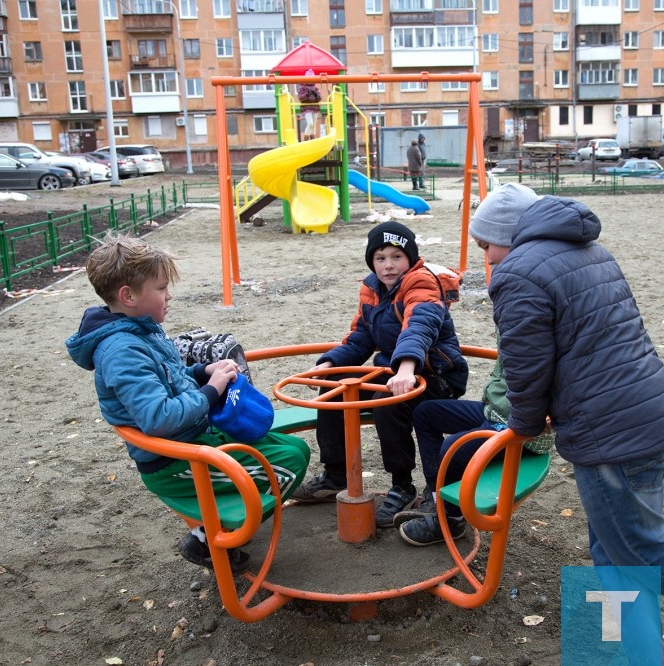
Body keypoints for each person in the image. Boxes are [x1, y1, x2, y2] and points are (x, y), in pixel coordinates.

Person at [472, 183, 664, 665]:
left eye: (484, 244)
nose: (484, 256)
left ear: (506, 237)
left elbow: (526, 364)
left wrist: (526, 424)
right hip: (648, 409)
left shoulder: (519, 273)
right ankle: (639, 653)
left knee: (639, 545)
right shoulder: (589, 250)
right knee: (612, 546)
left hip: (611, 435)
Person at [66, 234, 310, 575]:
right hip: (175, 459)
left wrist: (202, 370)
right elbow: (158, 417)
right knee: (288, 463)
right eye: (162, 288)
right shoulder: (122, 350)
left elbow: (171, 376)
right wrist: (211, 390)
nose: (169, 295)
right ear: (129, 295)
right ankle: (209, 539)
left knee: (293, 447)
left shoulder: (140, 330)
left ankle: (217, 530)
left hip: (195, 437)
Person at [291, 221, 470, 528]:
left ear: (410, 258)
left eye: (396, 257)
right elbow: (361, 336)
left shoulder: (421, 284)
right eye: (380, 258)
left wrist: (406, 368)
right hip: (394, 369)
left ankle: (402, 486)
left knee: (386, 400)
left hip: (436, 373)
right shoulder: (372, 288)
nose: (388, 266)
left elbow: (419, 326)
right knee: (335, 387)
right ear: (371, 261)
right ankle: (335, 475)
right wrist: (330, 364)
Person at [396, 330, 555, 546]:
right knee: (426, 413)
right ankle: (437, 500)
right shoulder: (515, 309)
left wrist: (547, 415)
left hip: (522, 425)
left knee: (453, 449)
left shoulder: (534, 316)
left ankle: (452, 521)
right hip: (496, 409)